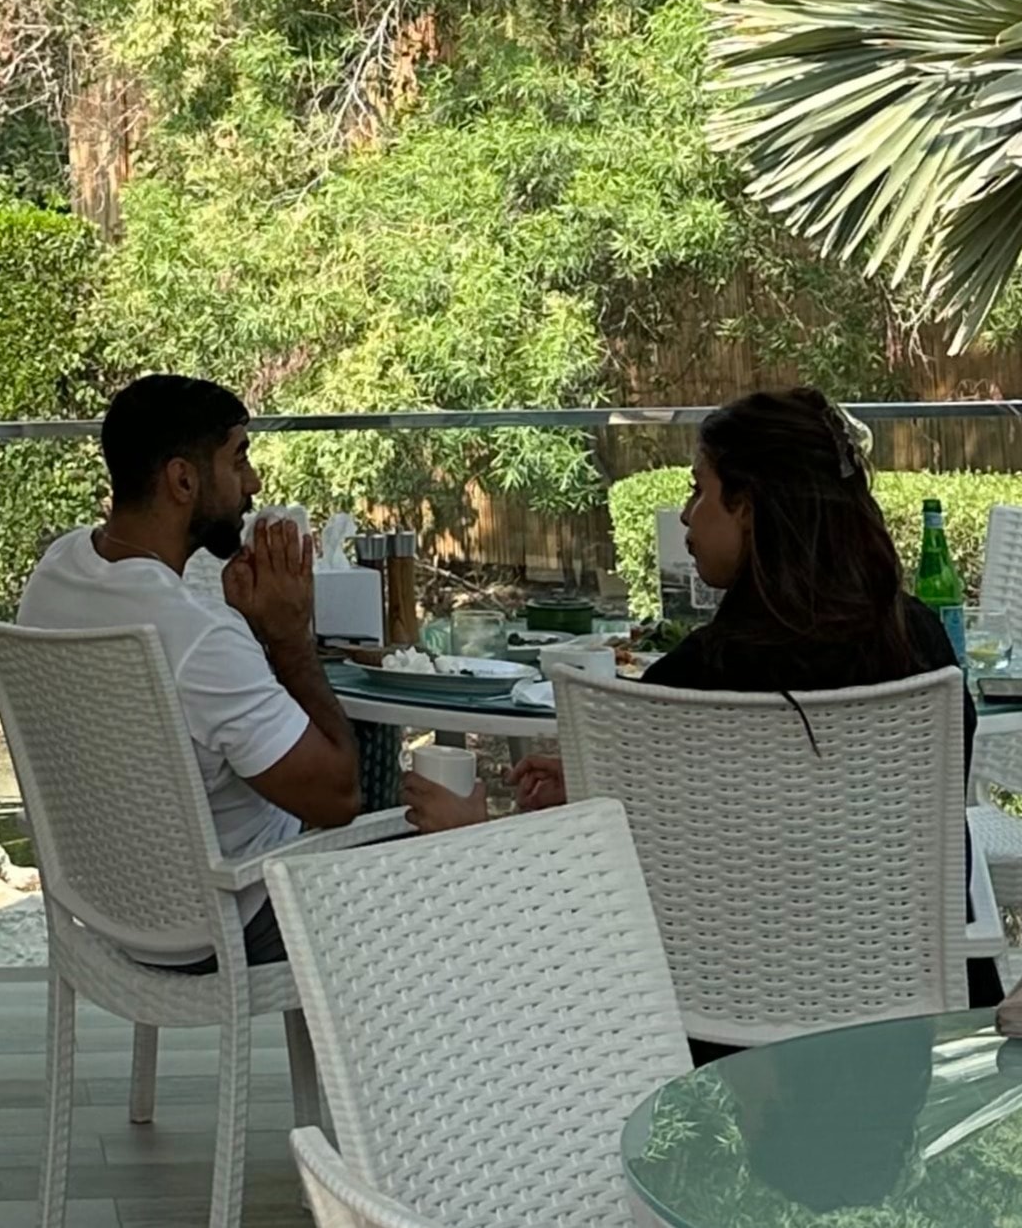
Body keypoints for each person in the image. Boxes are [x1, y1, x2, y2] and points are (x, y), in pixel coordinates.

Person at [401, 387, 988, 1011]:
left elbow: (595, 897)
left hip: (719, 1024)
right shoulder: (920, 648)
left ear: (749, 508)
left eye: (698, 489)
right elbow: (815, 816)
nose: (685, 515)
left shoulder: (695, 683)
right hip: (914, 1015)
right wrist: (611, 787)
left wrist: (473, 837)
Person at [16, 374, 363, 970]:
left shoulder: (57, 569)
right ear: (183, 479)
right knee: (430, 827)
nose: (252, 483)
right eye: (239, 459)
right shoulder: (198, 639)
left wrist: (248, 632)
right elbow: (339, 799)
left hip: (107, 912)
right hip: (227, 918)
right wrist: (288, 641)